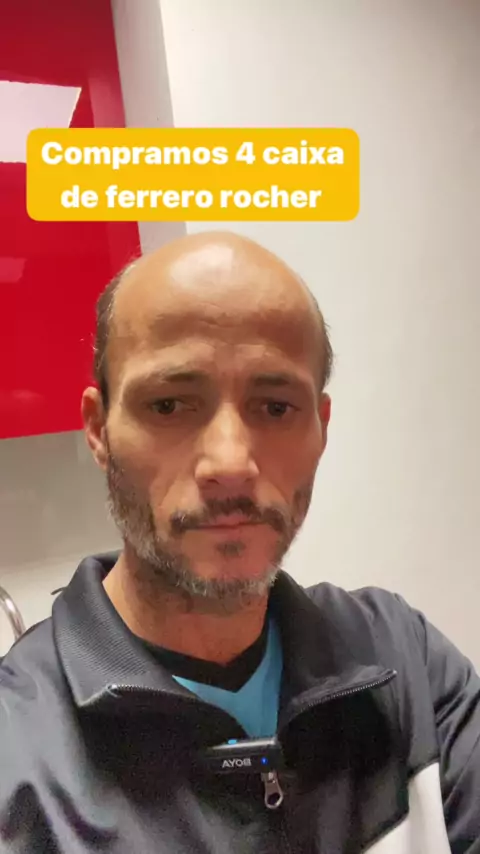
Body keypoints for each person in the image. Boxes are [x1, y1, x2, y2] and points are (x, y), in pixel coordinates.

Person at [0, 231, 478, 854]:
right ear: (99, 430)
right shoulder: (17, 754)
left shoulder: (407, 668)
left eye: (275, 408)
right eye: (169, 404)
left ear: (321, 428)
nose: (230, 464)